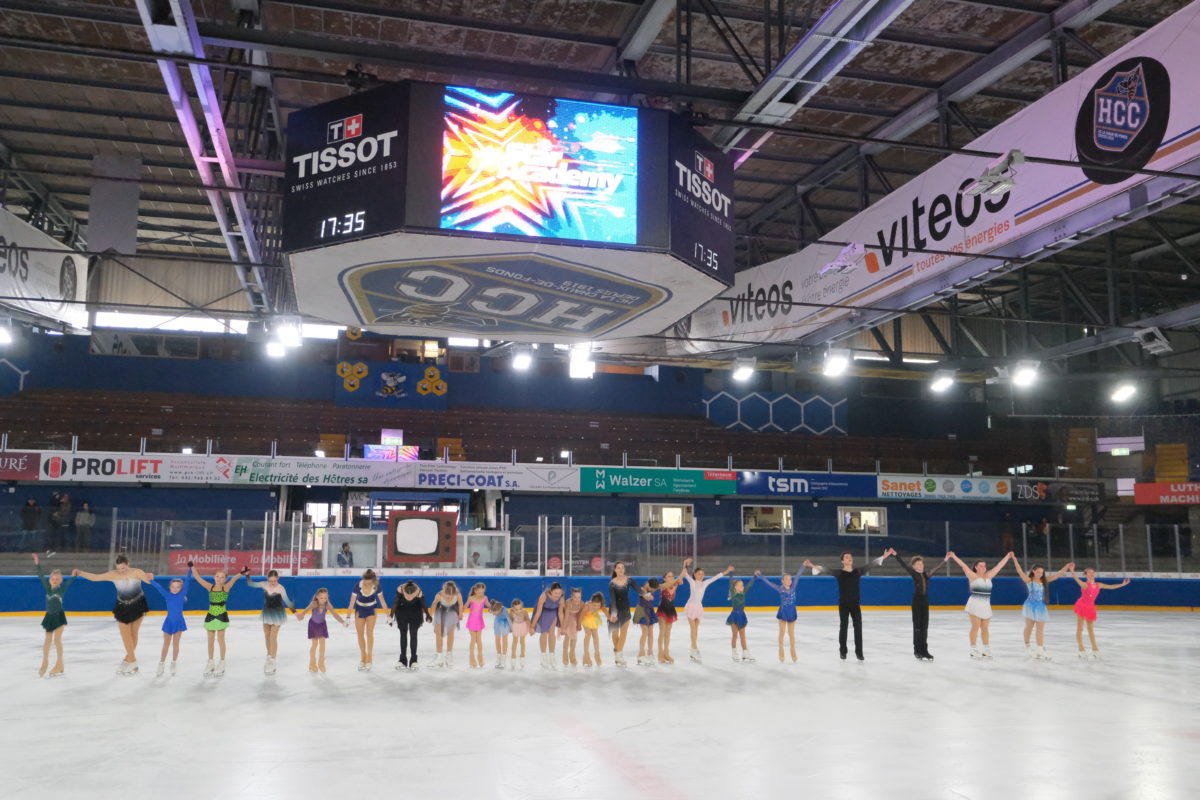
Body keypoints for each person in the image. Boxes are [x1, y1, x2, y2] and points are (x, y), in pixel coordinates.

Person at [74, 554, 155, 675]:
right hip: (122, 606)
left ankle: (128, 660)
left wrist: (150, 576)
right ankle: (132, 661)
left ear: (128, 564)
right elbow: (96, 578)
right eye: (119, 568)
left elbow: (147, 581)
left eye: (123, 568)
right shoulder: (113, 574)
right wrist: (81, 573)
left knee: (133, 634)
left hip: (138, 604)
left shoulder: (137, 572)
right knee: (125, 634)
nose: (121, 571)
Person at [802, 552, 887, 661]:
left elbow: (871, 564)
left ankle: (859, 653)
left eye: (850, 557)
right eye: (846, 557)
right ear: (842, 561)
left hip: (855, 604)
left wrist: (884, 556)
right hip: (844, 604)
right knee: (844, 627)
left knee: (858, 628)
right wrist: (812, 565)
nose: (849, 558)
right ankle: (843, 651)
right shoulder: (839, 573)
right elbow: (825, 569)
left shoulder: (858, 571)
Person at [945, 550, 1014, 659]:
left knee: (985, 628)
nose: (983, 567)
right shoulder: (972, 576)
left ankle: (986, 648)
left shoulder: (989, 576)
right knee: (975, 627)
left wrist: (1007, 556)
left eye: (984, 566)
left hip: (986, 605)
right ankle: (973, 649)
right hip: (974, 604)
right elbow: (963, 566)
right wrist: (953, 556)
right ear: (976, 567)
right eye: (981, 566)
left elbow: (999, 566)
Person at [886, 549, 946, 661]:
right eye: (918, 564)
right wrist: (896, 555)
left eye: (921, 563)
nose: (921, 565)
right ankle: (917, 651)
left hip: (925, 602)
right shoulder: (914, 573)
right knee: (917, 627)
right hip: (917, 602)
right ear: (913, 567)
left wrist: (945, 560)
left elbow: (935, 569)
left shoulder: (926, 575)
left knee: (924, 627)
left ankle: (925, 651)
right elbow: (904, 565)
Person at [192, 564, 250, 676]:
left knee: (220, 639)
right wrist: (192, 567)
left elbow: (234, 578)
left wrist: (242, 573)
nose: (219, 578)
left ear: (225, 579)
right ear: (214, 577)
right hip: (210, 615)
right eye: (217, 576)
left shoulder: (226, 587)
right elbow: (198, 578)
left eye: (222, 577)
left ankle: (222, 662)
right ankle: (210, 662)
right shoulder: (210, 587)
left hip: (221, 616)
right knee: (210, 640)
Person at [1012, 557, 1073, 660]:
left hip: (1040, 607)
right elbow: (1019, 571)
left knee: (1040, 629)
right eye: (1038, 572)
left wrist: (1066, 567)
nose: (1040, 574)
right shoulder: (1029, 580)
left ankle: (1040, 649)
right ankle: (1027, 646)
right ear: (1033, 571)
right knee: (1029, 627)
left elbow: (1058, 575)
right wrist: (1014, 559)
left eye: (1042, 572)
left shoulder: (1044, 581)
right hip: (1030, 606)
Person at [680, 557, 734, 664]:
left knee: (696, 630)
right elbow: (684, 573)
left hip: (699, 608)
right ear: (694, 574)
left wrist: (727, 571)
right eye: (699, 574)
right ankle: (694, 649)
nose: (701, 575)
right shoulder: (692, 581)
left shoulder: (705, 583)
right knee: (693, 629)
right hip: (691, 606)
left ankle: (693, 649)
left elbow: (716, 577)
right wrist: (685, 564)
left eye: (702, 574)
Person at [1069, 567, 1130, 659]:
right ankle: (1081, 649)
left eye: (1093, 572)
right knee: (1080, 628)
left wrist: (1122, 584)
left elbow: (1111, 587)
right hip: (1082, 606)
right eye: (1089, 573)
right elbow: (1076, 579)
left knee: (1091, 630)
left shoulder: (1099, 585)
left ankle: (1095, 649)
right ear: (1085, 575)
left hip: (1091, 607)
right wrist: (1072, 570)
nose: (1091, 574)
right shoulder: (1084, 585)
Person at [33, 553, 76, 677]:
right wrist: (37, 563)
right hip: (49, 617)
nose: (55, 581)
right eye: (53, 579)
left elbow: (69, 583)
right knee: (47, 640)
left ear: (60, 581)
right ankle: (45, 662)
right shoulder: (47, 588)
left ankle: (59, 664)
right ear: (50, 580)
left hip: (59, 617)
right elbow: (41, 576)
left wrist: (73, 576)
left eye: (57, 579)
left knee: (57, 640)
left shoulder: (61, 590)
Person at [754, 564, 807, 663]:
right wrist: (760, 575)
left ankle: (793, 653)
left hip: (792, 613)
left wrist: (803, 566)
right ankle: (781, 652)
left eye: (790, 579)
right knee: (782, 633)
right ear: (782, 581)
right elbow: (768, 583)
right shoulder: (779, 588)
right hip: (783, 613)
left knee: (791, 635)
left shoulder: (793, 587)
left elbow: (798, 575)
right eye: (786, 579)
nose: (789, 581)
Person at [246, 569, 296, 674]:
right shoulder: (264, 584)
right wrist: (247, 575)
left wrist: (296, 613)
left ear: (277, 578)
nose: (272, 582)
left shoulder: (280, 588)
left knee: (273, 637)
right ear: (268, 579)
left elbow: (287, 602)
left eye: (274, 580)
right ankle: (269, 656)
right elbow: (251, 584)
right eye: (270, 581)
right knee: (267, 636)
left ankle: (273, 660)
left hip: (278, 614)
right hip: (267, 612)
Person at [147, 566, 191, 676]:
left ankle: (174, 663)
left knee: (176, 644)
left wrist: (190, 568)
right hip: (169, 622)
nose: (175, 589)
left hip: (179, 622)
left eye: (178, 587)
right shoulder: (167, 595)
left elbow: (188, 580)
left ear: (181, 588)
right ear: (170, 587)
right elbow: (158, 587)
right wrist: (151, 580)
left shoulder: (182, 595)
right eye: (173, 586)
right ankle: (161, 663)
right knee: (166, 644)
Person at [295, 588, 348, 672]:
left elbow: (335, 614)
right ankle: (312, 663)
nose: (323, 600)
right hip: (313, 625)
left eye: (325, 598)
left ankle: (321, 663)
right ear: (317, 597)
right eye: (321, 598)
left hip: (322, 625)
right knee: (314, 644)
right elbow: (305, 611)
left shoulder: (327, 605)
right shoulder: (314, 603)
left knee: (322, 645)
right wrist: (301, 615)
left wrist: (343, 622)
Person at [349, 569, 386, 671]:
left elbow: (382, 601)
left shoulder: (376, 586)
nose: (366, 583)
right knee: (360, 634)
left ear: (373, 580)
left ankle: (369, 658)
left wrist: (388, 616)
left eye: (369, 582)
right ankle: (363, 657)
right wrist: (348, 617)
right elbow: (351, 602)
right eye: (365, 581)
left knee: (369, 634)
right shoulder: (358, 586)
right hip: (360, 609)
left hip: (371, 609)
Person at [389, 581, 430, 671]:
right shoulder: (400, 589)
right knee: (403, 634)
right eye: (407, 596)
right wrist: (391, 616)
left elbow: (423, 604)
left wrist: (428, 615)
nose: (409, 598)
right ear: (404, 592)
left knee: (413, 634)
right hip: (402, 611)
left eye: (412, 597)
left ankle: (414, 660)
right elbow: (395, 603)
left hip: (415, 612)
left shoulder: (419, 592)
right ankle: (402, 659)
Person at [607, 563, 641, 667]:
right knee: (615, 633)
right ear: (615, 570)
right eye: (619, 568)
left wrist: (646, 594)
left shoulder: (629, 580)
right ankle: (619, 654)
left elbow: (638, 590)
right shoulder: (612, 583)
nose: (621, 569)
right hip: (614, 609)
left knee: (624, 632)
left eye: (622, 567)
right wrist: (613, 613)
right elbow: (613, 599)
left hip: (625, 609)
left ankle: (618, 655)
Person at [531, 582, 564, 669]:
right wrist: (532, 626)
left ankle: (552, 656)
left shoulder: (561, 598)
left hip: (553, 613)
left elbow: (560, 613)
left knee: (552, 633)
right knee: (544, 633)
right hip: (543, 613)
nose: (558, 595)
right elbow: (538, 612)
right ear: (551, 591)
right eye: (555, 593)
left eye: (559, 593)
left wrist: (563, 626)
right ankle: (543, 656)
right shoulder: (544, 596)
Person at [430, 581, 463, 668]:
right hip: (440, 613)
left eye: (452, 596)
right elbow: (433, 608)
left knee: (451, 634)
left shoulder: (458, 594)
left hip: (452, 613)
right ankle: (439, 656)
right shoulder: (439, 595)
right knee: (439, 635)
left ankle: (449, 654)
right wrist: (430, 615)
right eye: (448, 595)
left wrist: (460, 613)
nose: (450, 597)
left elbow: (460, 604)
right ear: (444, 590)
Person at [654, 570, 685, 664]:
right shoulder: (662, 585)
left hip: (671, 609)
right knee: (662, 632)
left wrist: (685, 566)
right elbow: (676, 581)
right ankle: (660, 654)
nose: (671, 577)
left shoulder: (674, 584)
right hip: (663, 609)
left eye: (672, 576)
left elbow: (681, 576)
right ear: (664, 578)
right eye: (669, 576)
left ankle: (666, 653)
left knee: (668, 634)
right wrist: (677, 580)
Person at [725, 575, 757, 663]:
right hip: (734, 616)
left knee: (743, 636)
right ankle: (734, 652)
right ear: (735, 587)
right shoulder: (733, 594)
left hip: (742, 616)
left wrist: (754, 577)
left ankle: (745, 652)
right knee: (735, 635)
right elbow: (730, 584)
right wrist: (730, 573)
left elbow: (749, 585)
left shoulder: (743, 592)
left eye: (742, 585)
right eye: (740, 585)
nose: (742, 587)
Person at [633, 578, 661, 667]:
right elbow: (644, 595)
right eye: (653, 589)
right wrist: (649, 596)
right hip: (641, 610)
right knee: (645, 632)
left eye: (655, 590)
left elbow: (662, 586)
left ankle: (650, 652)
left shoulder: (653, 586)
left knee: (651, 632)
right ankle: (641, 654)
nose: (654, 591)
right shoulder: (642, 588)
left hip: (649, 610)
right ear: (648, 585)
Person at [462, 582, 490, 669]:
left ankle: (480, 659)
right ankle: (472, 659)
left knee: (479, 640)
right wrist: (459, 612)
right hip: (471, 621)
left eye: (482, 592)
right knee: (473, 639)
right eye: (479, 592)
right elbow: (464, 607)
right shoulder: (471, 598)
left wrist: (495, 608)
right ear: (475, 590)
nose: (480, 594)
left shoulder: (485, 598)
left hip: (479, 621)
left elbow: (489, 606)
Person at [559, 587, 584, 668]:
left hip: (575, 619)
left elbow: (580, 615)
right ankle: (565, 653)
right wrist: (563, 628)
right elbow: (566, 616)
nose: (577, 599)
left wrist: (579, 624)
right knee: (567, 635)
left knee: (574, 637)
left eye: (579, 597)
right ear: (572, 597)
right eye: (575, 597)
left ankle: (572, 654)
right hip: (567, 618)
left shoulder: (582, 603)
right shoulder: (568, 602)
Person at [580, 592, 606, 668]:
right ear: (591, 602)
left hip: (594, 618)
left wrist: (611, 618)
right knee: (588, 635)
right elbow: (581, 615)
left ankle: (597, 653)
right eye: (594, 605)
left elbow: (607, 614)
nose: (596, 607)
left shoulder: (600, 605)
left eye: (598, 605)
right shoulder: (587, 606)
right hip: (586, 618)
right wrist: (578, 625)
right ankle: (586, 655)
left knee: (595, 636)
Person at [508, 598, 531, 670]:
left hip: (523, 626)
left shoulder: (524, 611)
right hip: (515, 626)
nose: (518, 608)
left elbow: (527, 619)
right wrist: (510, 628)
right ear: (513, 606)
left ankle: (522, 655)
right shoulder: (512, 612)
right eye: (516, 607)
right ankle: (513, 656)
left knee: (522, 641)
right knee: (515, 641)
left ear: (521, 605)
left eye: (519, 606)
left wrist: (530, 627)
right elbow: (510, 620)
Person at [489, 599, 511, 670]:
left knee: (504, 640)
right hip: (497, 623)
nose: (493, 614)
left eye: (494, 613)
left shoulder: (505, 611)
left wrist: (511, 628)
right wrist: (492, 609)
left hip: (505, 623)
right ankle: (498, 657)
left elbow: (509, 619)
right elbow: (490, 610)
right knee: (497, 639)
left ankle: (503, 658)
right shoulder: (494, 608)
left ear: (499, 610)